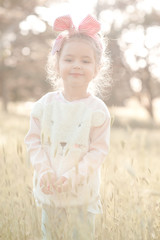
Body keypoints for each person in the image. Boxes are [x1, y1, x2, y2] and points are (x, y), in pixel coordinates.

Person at [25, 14, 111, 240]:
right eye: (69, 59)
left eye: (85, 60)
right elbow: (33, 142)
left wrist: (74, 177)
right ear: (57, 63)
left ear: (97, 68)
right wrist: (44, 171)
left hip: (83, 195)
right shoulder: (44, 106)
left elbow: (98, 151)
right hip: (50, 193)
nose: (77, 65)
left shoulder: (97, 110)